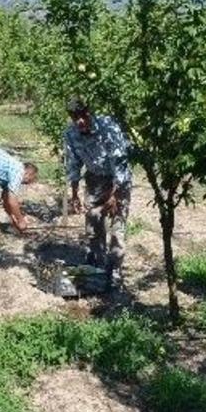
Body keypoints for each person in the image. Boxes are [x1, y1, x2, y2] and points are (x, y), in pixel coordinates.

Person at [63, 98, 132, 289]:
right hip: (94, 178)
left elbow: (120, 164)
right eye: (74, 117)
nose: (79, 121)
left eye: (82, 116)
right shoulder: (70, 134)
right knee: (93, 222)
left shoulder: (108, 128)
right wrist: (74, 193)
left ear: (88, 112)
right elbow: (73, 164)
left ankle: (115, 271)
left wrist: (114, 195)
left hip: (118, 180)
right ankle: (97, 267)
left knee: (117, 227)